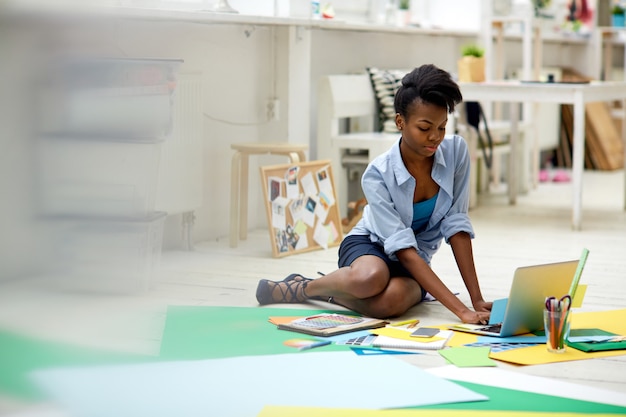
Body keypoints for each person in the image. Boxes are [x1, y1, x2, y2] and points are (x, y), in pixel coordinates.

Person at [255, 64, 492, 324]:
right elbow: (402, 249)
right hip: (370, 245)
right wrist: (461, 311)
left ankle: (332, 294)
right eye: (424, 128)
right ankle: (304, 288)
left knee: (389, 304)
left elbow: (457, 226)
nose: (435, 137)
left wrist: (476, 300)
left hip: (417, 258)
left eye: (442, 127)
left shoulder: (456, 153)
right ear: (400, 121)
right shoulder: (377, 174)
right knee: (370, 278)